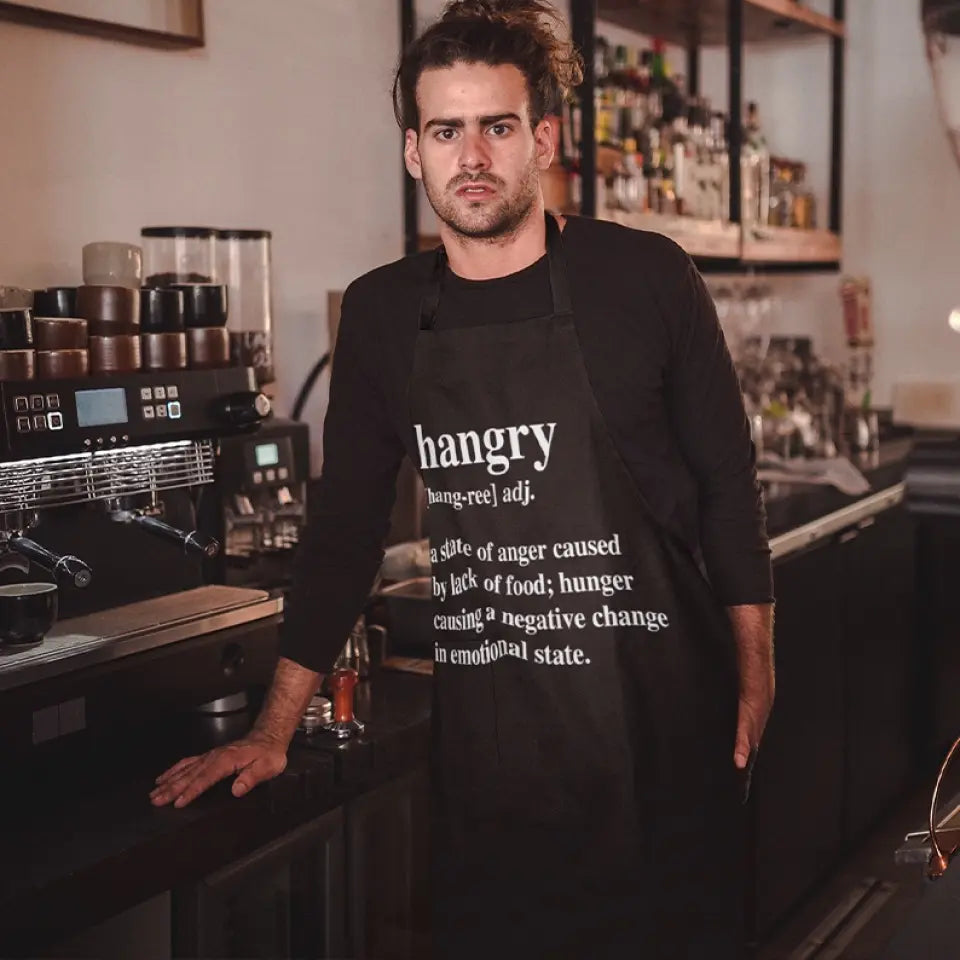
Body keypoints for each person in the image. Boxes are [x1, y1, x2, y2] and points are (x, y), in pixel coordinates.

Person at [152, 1, 775, 956]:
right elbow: (345, 529)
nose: (471, 155)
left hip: (662, 733)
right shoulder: (384, 314)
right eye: (447, 130)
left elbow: (729, 484)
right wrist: (275, 725)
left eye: (497, 126)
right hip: (499, 755)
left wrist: (755, 667)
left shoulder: (646, 277)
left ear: (544, 139)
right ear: (414, 151)